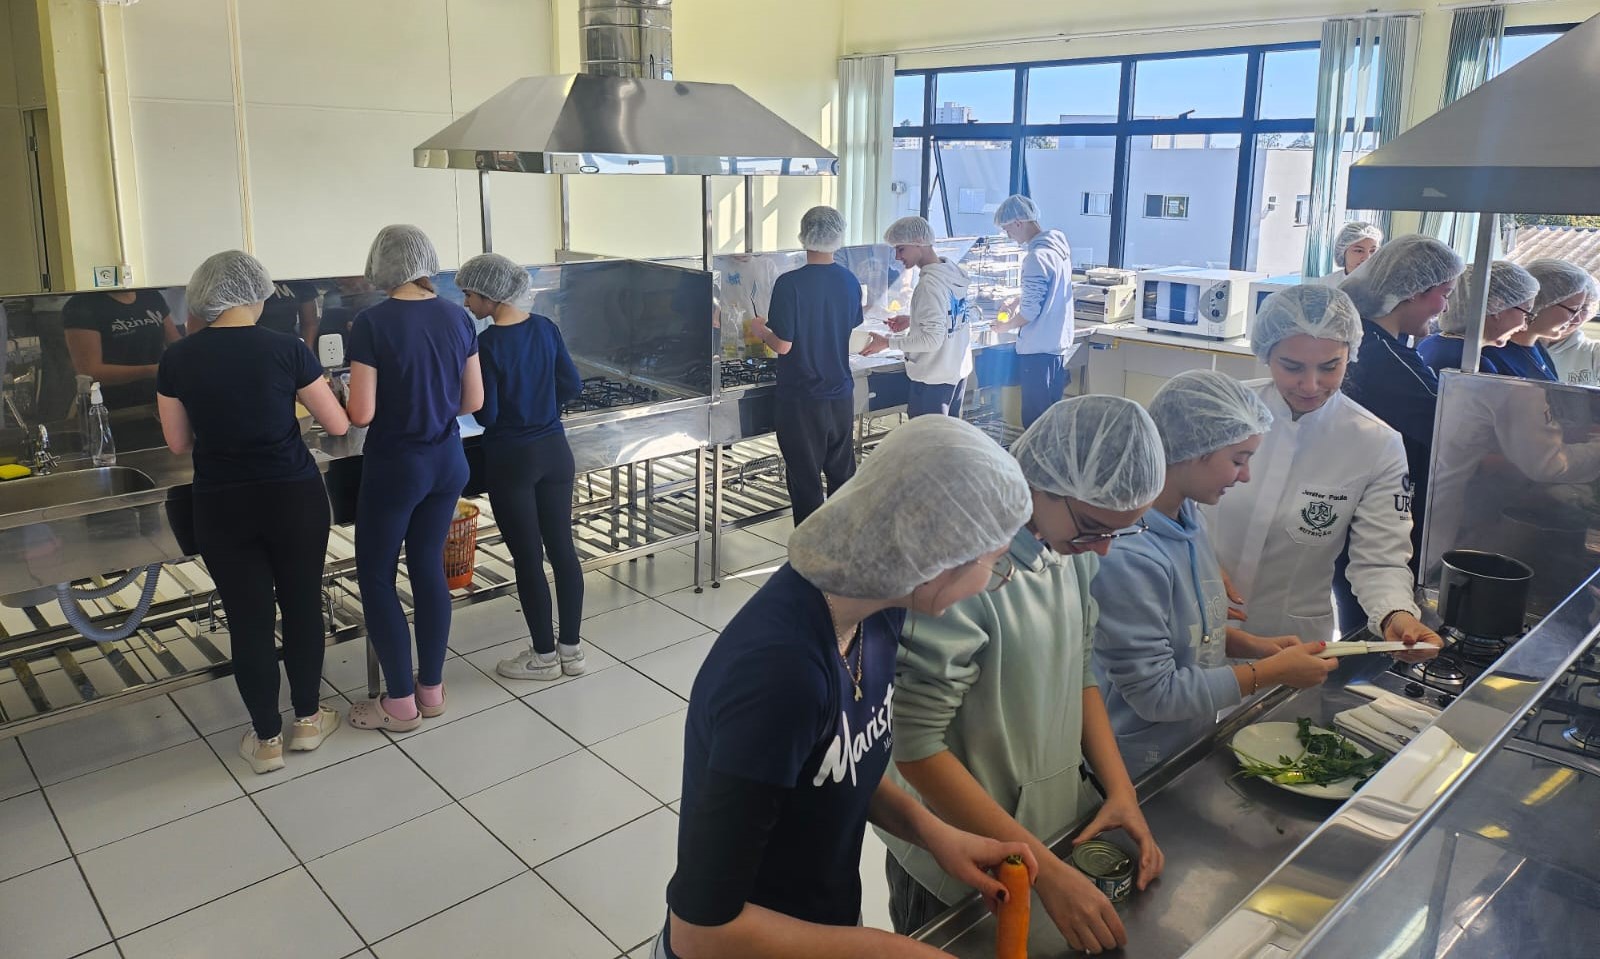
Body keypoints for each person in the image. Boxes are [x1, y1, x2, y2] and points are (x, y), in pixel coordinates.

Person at [657, 415, 1039, 959]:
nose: (990, 584)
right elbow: (700, 933)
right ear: (939, 559)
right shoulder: (781, 677)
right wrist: (896, 952)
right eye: (995, 566)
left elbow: (834, 766)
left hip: (823, 928)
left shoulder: (879, 609)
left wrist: (935, 834)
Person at [883, 396, 1167, 955]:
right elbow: (915, 749)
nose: (1103, 549)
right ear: (1042, 481)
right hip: (958, 851)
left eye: (1121, 531)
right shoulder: (963, 573)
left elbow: (1079, 670)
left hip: (1042, 830)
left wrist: (1121, 791)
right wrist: (1043, 870)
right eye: (1093, 528)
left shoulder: (1070, 549)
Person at [155, 251, 350, 774]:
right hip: (292, 496)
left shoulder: (178, 358)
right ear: (257, 294)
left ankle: (266, 741)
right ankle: (308, 721)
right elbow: (336, 424)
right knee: (303, 605)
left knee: (248, 620)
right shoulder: (288, 349)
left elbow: (177, 442)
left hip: (222, 502)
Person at [1092, 372, 1336, 782]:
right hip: (1135, 762)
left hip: (1186, 741)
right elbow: (1157, 695)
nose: (1245, 476)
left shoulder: (1189, 518)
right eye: (1238, 460)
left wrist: (1255, 647)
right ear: (1192, 450)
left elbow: (1180, 633)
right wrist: (1273, 673)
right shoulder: (1130, 554)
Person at [1204, 286, 1440, 658]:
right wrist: (1189, 562)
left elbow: (1379, 557)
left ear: (1351, 355)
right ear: (1266, 354)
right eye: (1292, 366)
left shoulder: (1375, 443)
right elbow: (1158, 503)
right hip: (1192, 617)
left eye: (1330, 367)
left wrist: (1395, 613)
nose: (1311, 385)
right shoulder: (1218, 411)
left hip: (1291, 641)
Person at [346, 225, 483, 732]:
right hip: (448, 460)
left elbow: (361, 414)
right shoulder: (458, 315)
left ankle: (400, 703)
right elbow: (473, 401)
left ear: (379, 265)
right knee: (427, 566)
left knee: (377, 574)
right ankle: (432, 690)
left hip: (397, 466)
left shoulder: (371, 323)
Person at [453, 253, 587, 682]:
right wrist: (542, 404)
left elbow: (487, 414)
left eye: (469, 295)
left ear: (490, 296)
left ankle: (543, 657)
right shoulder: (546, 328)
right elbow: (572, 384)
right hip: (555, 451)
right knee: (562, 550)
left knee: (528, 557)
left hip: (512, 459)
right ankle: (572, 652)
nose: (466, 303)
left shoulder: (488, 345)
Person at [1337, 235, 1465, 629]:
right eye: (1444, 294)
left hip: (1359, 512)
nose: (1445, 307)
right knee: (1376, 623)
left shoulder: (1376, 343)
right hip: (1374, 516)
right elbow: (1455, 434)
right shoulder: (1388, 361)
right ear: (1413, 291)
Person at [747, 206, 862, 525]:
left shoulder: (790, 284)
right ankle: (844, 542)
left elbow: (783, 345)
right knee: (842, 475)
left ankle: (810, 549)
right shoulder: (849, 280)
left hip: (801, 398)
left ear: (803, 235)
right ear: (838, 236)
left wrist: (760, 330)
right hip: (840, 393)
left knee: (806, 481)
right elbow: (850, 325)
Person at [862, 216, 973, 418]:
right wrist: (914, 319)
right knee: (948, 435)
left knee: (928, 437)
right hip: (955, 373)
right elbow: (952, 315)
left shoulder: (929, 285)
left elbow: (931, 340)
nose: (897, 257)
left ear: (919, 242)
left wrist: (887, 343)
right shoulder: (952, 272)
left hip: (933, 380)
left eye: (901, 249)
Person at [990, 195, 1074, 428]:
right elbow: (1047, 290)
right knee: (1049, 421)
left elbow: (1029, 313)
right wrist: (1017, 300)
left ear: (1018, 223)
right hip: (1056, 349)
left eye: (1007, 229)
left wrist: (1004, 326)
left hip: (1038, 353)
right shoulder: (1058, 249)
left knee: (1035, 423)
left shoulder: (1035, 257)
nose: (1008, 236)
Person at [63, 288, 181, 408]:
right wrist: (151, 370)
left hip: (159, 398)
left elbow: (176, 345)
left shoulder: (151, 296)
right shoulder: (81, 306)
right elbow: (90, 373)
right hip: (112, 405)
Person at [1417, 261, 1539, 376]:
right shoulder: (1472, 364)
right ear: (1497, 307)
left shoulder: (1430, 344)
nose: (1524, 327)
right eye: (1526, 314)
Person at [1490, 259, 1592, 382]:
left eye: (1582, 310)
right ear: (1541, 302)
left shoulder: (1537, 347)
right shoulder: (1492, 355)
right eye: (1573, 309)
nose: (1577, 319)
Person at [1549, 273, 1600, 387]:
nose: (1576, 318)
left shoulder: (1595, 352)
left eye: (1584, 308)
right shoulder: (1515, 349)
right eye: (1569, 308)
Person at [257, 279, 323, 349]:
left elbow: (310, 323)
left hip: (288, 344)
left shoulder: (299, 279)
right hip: (256, 341)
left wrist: (306, 351)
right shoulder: (254, 278)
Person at [1316, 221, 1384, 287]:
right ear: (1343, 252)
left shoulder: (1383, 285)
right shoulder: (1326, 284)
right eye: (1359, 251)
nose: (1367, 258)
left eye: (1373, 250)